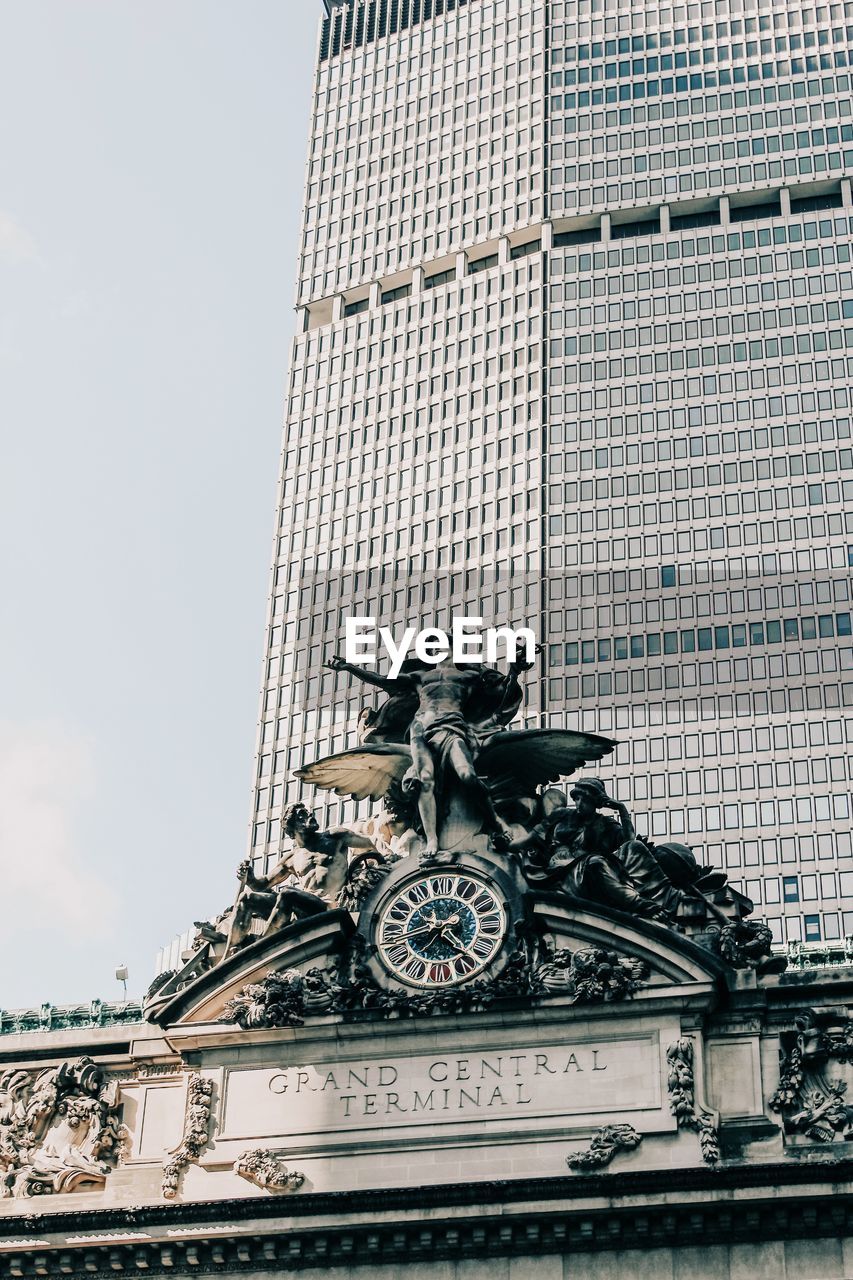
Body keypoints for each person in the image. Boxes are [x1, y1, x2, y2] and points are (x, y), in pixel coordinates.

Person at [326, 655, 517, 856]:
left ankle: (495, 820)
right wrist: (349, 668)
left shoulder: (469, 676)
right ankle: (431, 838)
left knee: (467, 775)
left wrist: (515, 670)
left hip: (451, 727)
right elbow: (381, 680)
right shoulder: (421, 676)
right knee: (424, 779)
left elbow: (503, 692)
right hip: (420, 730)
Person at [499, 779, 685, 922]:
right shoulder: (561, 815)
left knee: (634, 847)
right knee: (596, 863)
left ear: (597, 802)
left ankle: (667, 898)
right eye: (577, 798)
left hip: (591, 871)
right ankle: (642, 905)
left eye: (585, 799)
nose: (579, 803)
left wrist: (622, 810)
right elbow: (530, 839)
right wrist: (507, 845)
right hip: (561, 871)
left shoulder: (605, 824)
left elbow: (629, 842)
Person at [224, 805, 380, 953]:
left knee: (288, 894)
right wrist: (249, 878)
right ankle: (230, 956)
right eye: (302, 815)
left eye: (308, 812)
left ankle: (262, 946)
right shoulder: (292, 858)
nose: (310, 815)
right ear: (292, 831)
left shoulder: (335, 837)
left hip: (329, 905)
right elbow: (262, 884)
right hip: (302, 909)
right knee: (247, 898)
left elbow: (371, 845)